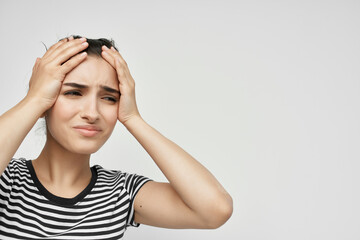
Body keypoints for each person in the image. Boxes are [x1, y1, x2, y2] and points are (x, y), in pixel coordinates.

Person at [0, 35, 233, 239]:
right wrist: (34, 100)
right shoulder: (7, 181)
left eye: (109, 98)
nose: (92, 113)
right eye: (73, 92)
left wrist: (133, 119)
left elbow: (215, 209)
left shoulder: (120, 193)